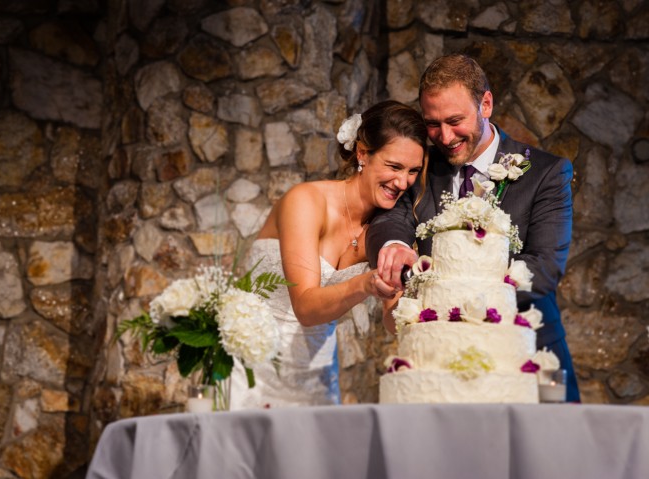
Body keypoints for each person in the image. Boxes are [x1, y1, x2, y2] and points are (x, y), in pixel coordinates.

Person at [366, 53, 581, 402]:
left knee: (552, 453)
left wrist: (455, 298)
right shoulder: (420, 165)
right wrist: (393, 245)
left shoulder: (547, 173)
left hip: (530, 355)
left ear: (486, 104)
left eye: (455, 120)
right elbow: (391, 218)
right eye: (432, 123)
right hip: (438, 364)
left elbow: (544, 267)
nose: (444, 136)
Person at [230, 100, 427, 409]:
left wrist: (422, 306)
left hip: (317, 378)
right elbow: (306, 307)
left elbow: (393, 318)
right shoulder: (306, 201)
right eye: (394, 166)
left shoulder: (387, 230)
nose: (402, 182)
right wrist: (364, 284)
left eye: (413, 171)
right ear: (363, 153)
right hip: (249, 374)